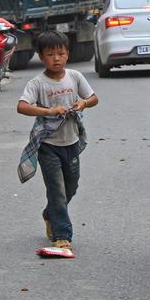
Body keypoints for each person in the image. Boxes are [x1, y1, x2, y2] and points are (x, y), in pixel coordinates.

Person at [17, 31, 98, 252]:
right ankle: (62, 236)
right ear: (41, 57)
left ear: (67, 54)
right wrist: (49, 110)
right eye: (51, 54)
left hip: (71, 143)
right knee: (57, 189)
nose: (56, 58)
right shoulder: (37, 83)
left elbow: (93, 98)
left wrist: (83, 104)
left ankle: (49, 213)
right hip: (48, 145)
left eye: (61, 53)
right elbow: (22, 106)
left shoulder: (75, 77)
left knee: (71, 186)